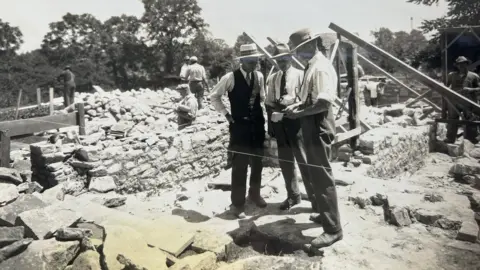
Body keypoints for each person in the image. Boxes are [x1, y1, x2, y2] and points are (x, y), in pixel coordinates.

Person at [283, 28, 343, 249]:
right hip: (311, 123)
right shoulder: (312, 66)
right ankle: (326, 215)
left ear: (311, 46)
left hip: (319, 124)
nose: (297, 55)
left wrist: (299, 113)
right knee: (316, 175)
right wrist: (298, 106)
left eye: (299, 50)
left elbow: (324, 103)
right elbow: (311, 98)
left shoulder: (320, 68)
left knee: (322, 176)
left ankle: (333, 230)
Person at [210, 43, 267, 219]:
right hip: (240, 127)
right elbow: (214, 96)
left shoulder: (259, 76)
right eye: (251, 61)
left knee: (257, 163)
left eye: (256, 61)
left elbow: (262, 99)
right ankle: (238, 204)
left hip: (257, 126)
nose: (254, 65)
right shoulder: (230, 78)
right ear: (242, 61)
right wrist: (226, 115)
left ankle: (255, 194)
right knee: (240, 165)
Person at [265, 43, 314, 211]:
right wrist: (272, 121)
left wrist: (294, 105)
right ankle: (293, 196)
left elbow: (308, 100)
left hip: (298, 122)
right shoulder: (273, 78)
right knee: (285, 162)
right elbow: (269, 102)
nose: (281, 62)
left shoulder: (302, 75)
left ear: (290, 58)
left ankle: (315, 200)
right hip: (280, 123)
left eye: (284, 59)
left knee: (304, 161)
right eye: (278, 60)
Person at [445, 56, 480, 144]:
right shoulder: (451, 75)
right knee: (452, 120)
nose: (461, 66)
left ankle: (471, 141)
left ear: (467, 64)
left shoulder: (474, 76)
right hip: (454, 102)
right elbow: (445, 87)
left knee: (470, 120)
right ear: (456, 65)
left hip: (469, 102)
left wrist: (470, 89)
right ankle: (450, 139)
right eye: (459, 64)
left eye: (463, 64)